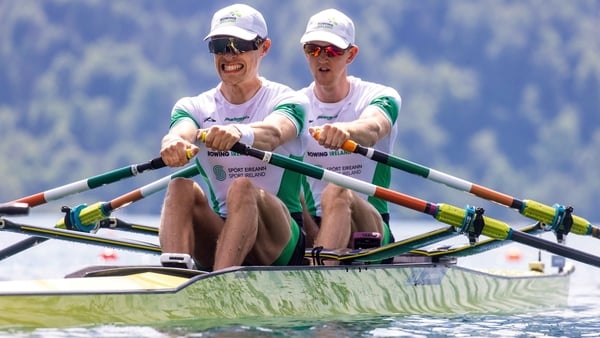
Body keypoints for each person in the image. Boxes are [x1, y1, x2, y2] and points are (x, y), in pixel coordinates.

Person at [158, 4, 309, 271]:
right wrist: (173, 144)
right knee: (180, 186)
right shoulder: (194, 106)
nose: (229, 55)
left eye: (240, 44)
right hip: (223, 229)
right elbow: (180, 130)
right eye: (219, 46)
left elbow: (275, 132)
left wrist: (239, 133)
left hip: (279, 240)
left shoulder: (289, 100)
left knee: (242, 187)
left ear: (264, 47)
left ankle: (221, 279)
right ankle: (173, 276)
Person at [299, 9, 401, 258]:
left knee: (338, 190)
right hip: (312, 225)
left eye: (332, 50)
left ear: (351, 55)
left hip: (369, 227)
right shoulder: (295, 104)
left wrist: (345, 131)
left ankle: (319, 280)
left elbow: (374, 127)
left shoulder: (379, 96)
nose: (322, 58)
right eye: (314, 49)